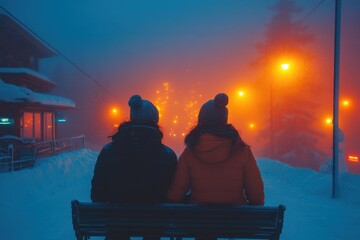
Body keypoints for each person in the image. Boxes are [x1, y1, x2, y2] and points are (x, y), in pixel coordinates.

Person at [167, 93, 264, 205]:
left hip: (198, 220)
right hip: (235, 220)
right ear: (224, 119)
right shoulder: (242, 151)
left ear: (201, 120)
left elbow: (175, 195)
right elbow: (256, 196)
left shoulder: (190, 152)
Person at [91, 94, 177, 204]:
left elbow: (97, 193)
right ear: (155, 120)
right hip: (155, 220)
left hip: (116, 219)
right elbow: (174, 194)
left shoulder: (109, 151)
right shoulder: (167, 155)